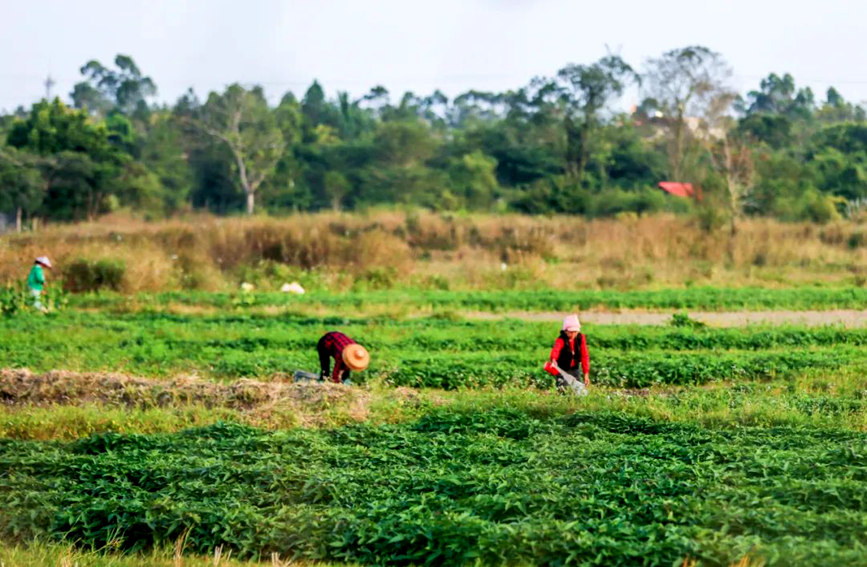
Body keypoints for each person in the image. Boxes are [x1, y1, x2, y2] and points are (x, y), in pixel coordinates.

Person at [544, 314, 590, 389]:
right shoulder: (561, 340)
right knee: (563, 390)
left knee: (578, 389)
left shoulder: (581, 338)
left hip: (575, 369)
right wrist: (553, 359)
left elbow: (584, 355)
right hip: (562, 369)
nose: (573, 334)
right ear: (565, 331)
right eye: (570, 332)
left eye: (575, 332)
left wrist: (586, 374)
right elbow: (556, 350)